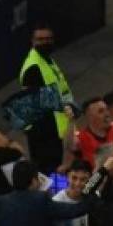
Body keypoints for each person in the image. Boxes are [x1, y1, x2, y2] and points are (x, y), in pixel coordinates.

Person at [20, 22, 74, 172]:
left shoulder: (47, 60)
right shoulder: (33, 67)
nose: (45, 42)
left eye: (49, 39)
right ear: (32, 41)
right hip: (43, 131)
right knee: (48, 172)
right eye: (41, 39)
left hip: (55, 127)